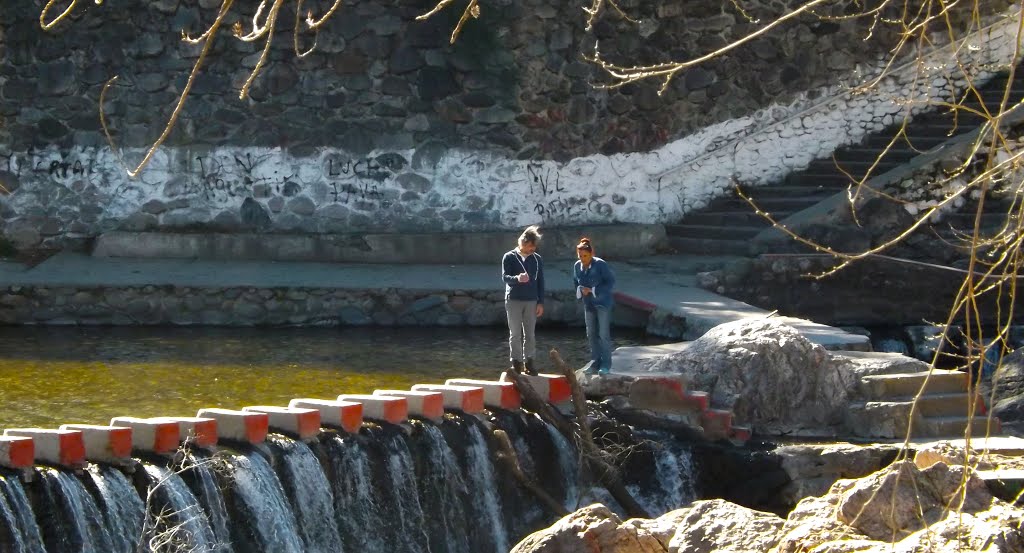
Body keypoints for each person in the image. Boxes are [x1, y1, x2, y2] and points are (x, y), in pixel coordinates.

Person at [502, 225, 545, 375]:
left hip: (531, 300)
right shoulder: (509, 257)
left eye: (534, 247)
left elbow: (541, 281)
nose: (532, 250)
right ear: (522, 243)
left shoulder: (537, 259)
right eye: (529, 247)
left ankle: (530, 362)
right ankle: (516, 363)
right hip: (513, 299)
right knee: (515, 334)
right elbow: (505, 278)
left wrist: (540, 302)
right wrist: (517, 279)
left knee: (530, 334)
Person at [573, 237, 615, 374]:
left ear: (592, 254)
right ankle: (595, 362)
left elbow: (610, 282)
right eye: (580, 256)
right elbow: (576, 282)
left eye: (585, 256)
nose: (583, 259)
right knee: (591, 333)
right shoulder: (577, 266)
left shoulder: (600, 265)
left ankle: (606, 364)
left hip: (602, 303)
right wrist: (580, 289)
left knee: (603, 334)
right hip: (588, 304)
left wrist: (593, 290)